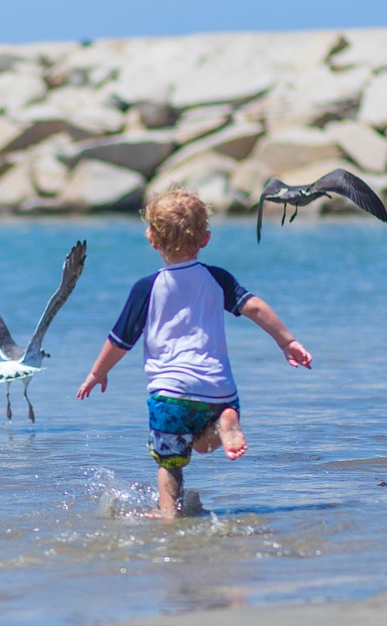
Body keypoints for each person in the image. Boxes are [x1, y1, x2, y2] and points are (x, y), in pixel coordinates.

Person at [76, 186, 313, 519]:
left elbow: (120, 339)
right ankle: (225, 423)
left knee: (169, 461)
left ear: (151, 240)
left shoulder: (147, 288)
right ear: (206, 238)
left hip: (171, 392)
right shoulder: (217, 279)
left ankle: (168, 514)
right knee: (203, 442)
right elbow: (255, 307)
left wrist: (98, 372)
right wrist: (286, 341)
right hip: (218, 390)